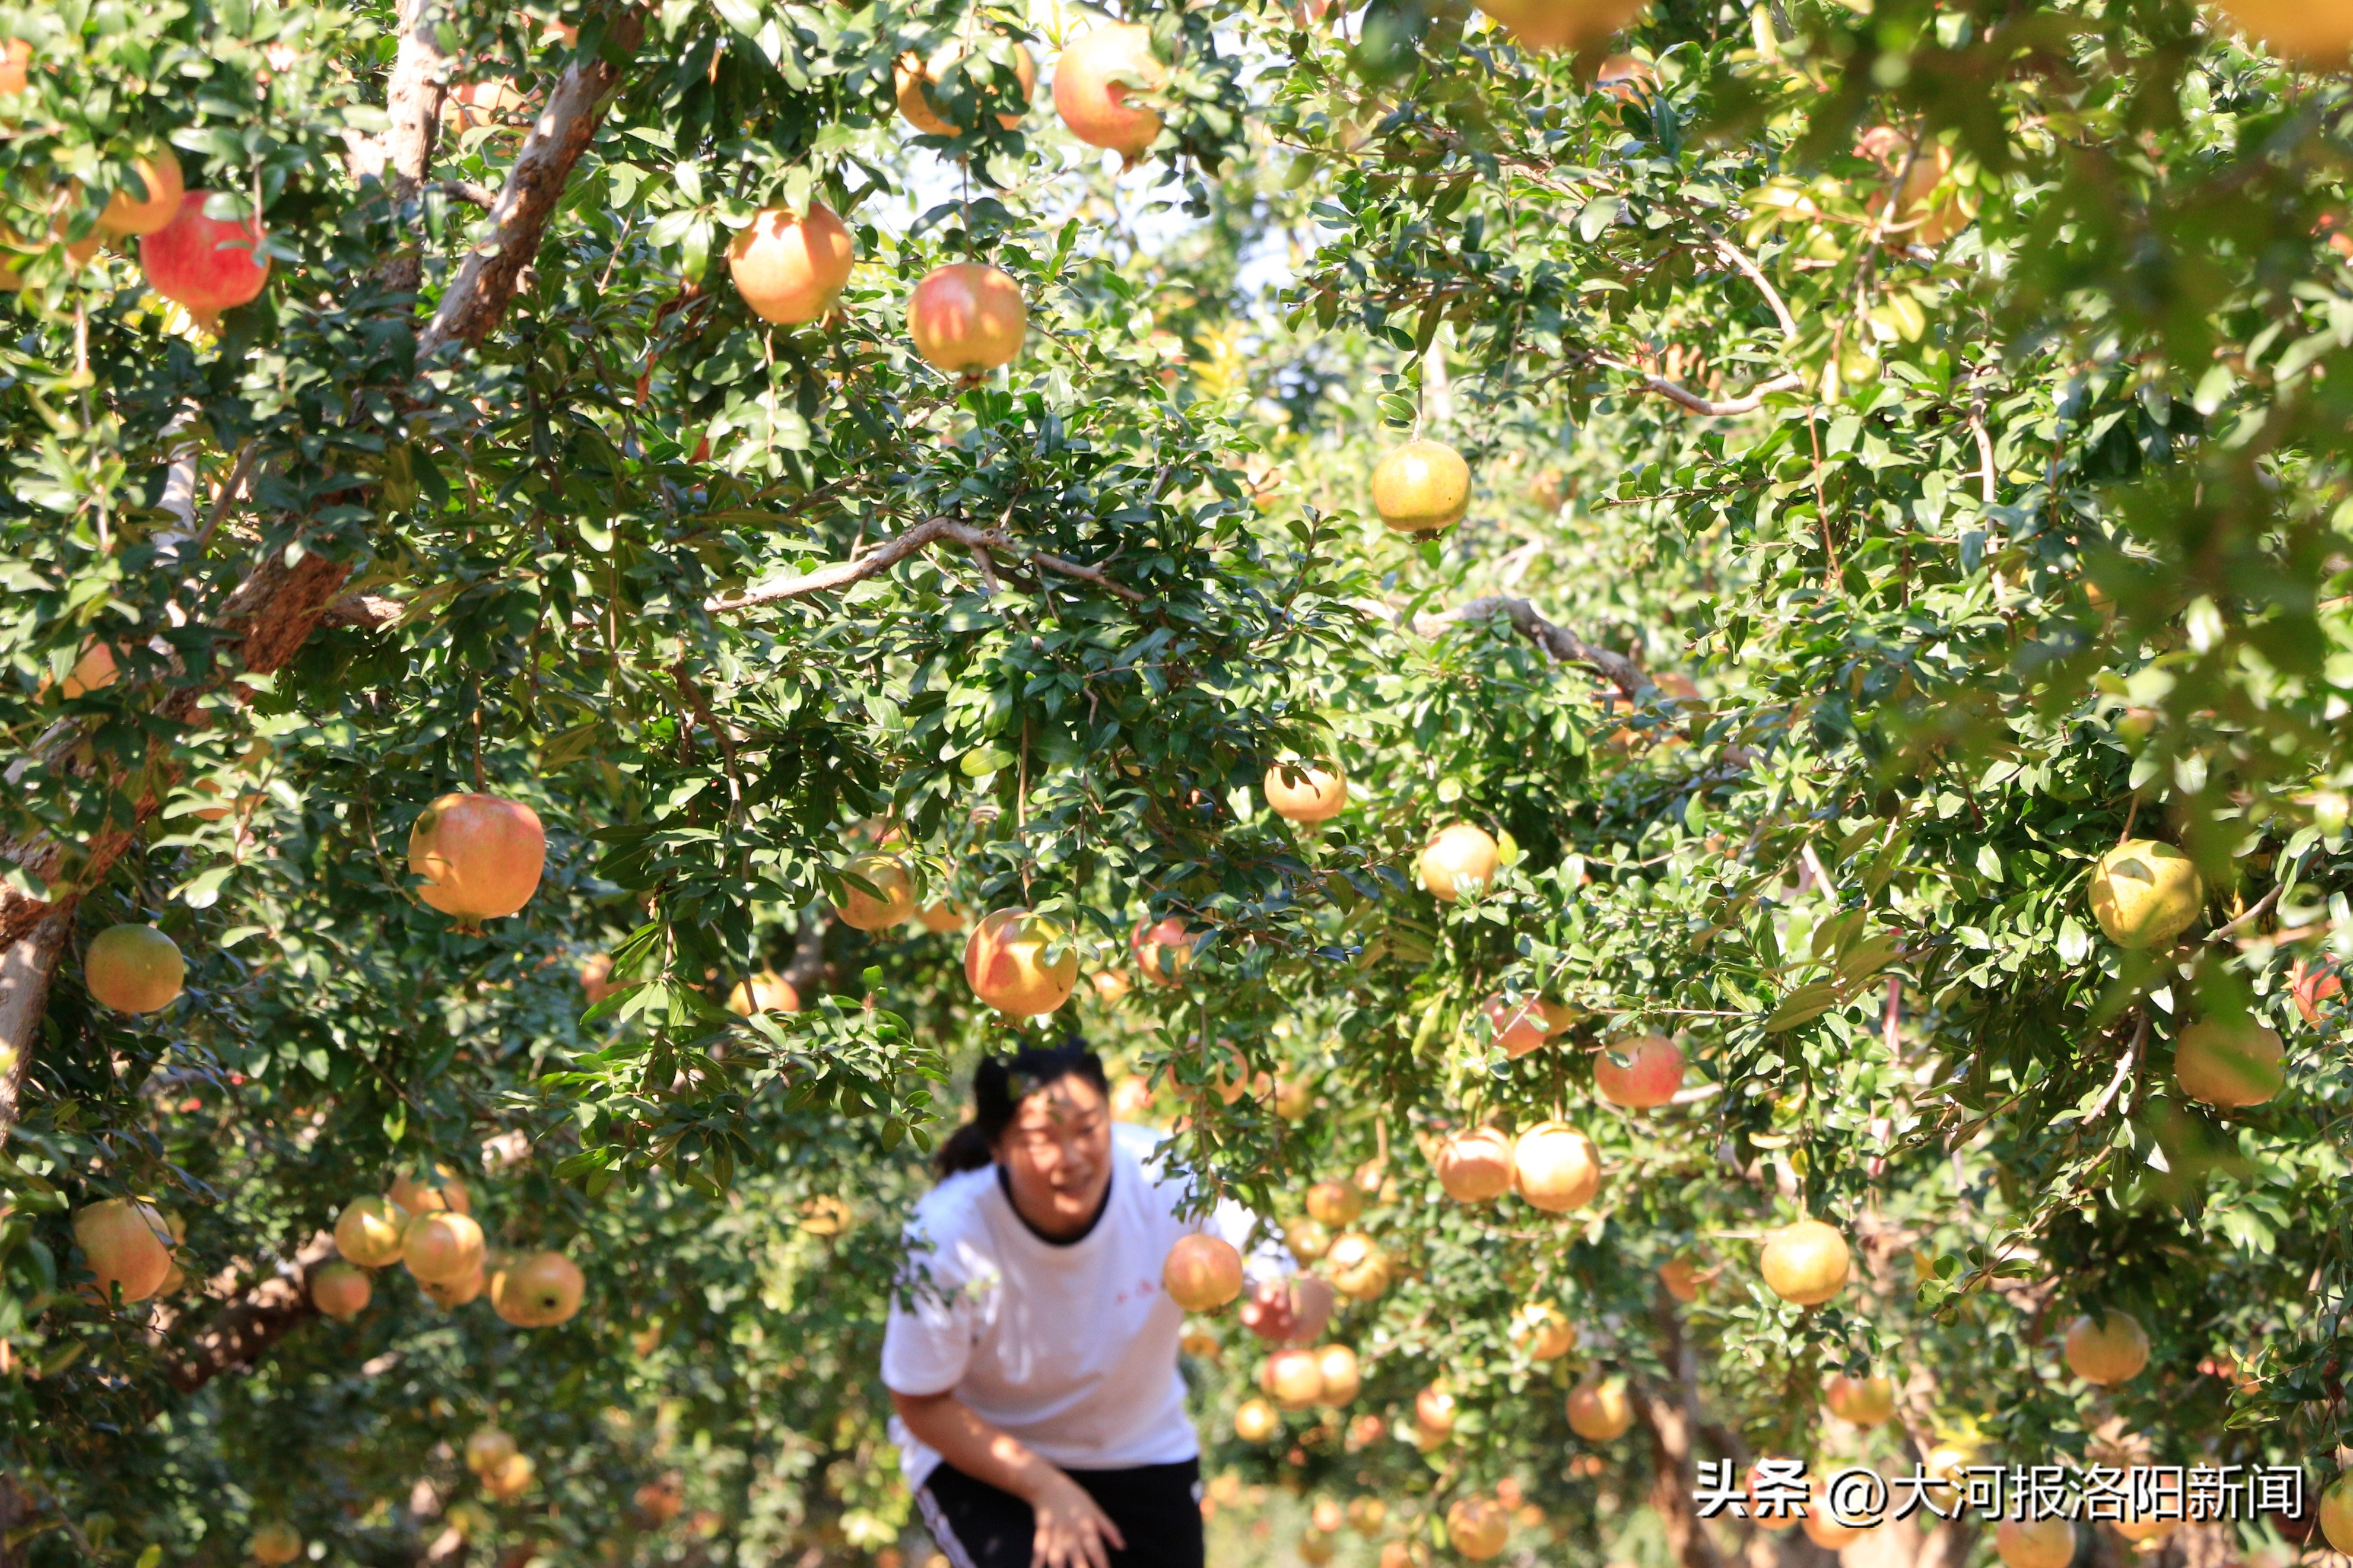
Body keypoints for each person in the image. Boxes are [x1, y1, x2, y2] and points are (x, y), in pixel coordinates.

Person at [882, 1042, 1332, 1568]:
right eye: (1040, 1139)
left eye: (1089, 1127)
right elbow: (919, 1401)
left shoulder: (1172, 1178)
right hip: (986, 1461)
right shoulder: (947, 1235)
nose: (1071, 1156)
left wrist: (1294, 1306)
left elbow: (1302, 1287)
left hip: (1139, 1449)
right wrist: (1046, 1488)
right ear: (998, 1145)